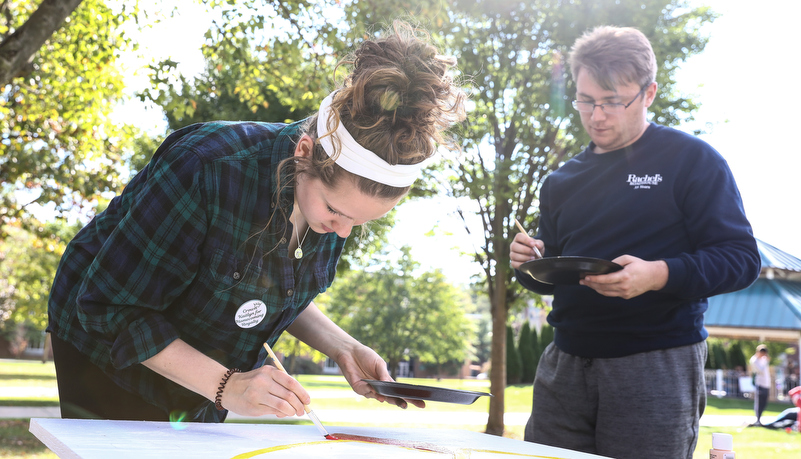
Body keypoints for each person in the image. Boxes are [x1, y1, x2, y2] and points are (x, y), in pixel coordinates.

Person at [46, 20, 466, 423]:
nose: (342, 231)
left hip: (205, 367)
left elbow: (269, 287)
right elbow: (110, 307)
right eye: (336, 212)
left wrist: (343, 347)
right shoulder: (205, 166)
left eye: (359, 223)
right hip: (103, 350)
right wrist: (227, 385)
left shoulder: (335, 207)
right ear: (304, 153)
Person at [509, 26, 760, 458]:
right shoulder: (560, 181)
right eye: (586, 101)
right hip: (564, 364)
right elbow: (553, 276)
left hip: (656, 364)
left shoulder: (692, 161)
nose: (597, 116)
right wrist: (529, 263)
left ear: (648, 94)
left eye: (612, 102)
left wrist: (659, 274)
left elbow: (741, 259)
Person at [750, 344, 771, 425]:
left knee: (764, 402)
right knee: (759, 401)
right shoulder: (754, 360)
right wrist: (766, 362)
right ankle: (757, 419)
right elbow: (760, 370)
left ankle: (760, 418)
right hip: (760, 383)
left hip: (766, 383)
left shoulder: (764, 359)